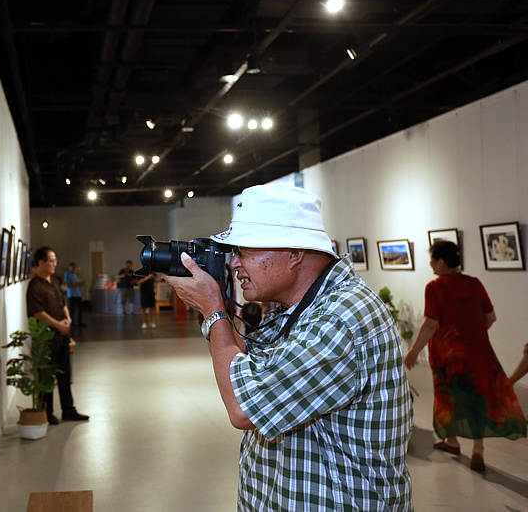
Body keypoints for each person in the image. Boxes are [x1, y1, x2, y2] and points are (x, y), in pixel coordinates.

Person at [165, 184, 413, 511]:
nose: (234, 264)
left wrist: (213, 311)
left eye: (243, 251)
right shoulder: (303, 307)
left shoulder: (339, 320)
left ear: (294, 254)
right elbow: (250, 368)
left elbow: (244, 407)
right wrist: (216, 310)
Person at [404, 240, 526, 472]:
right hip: (479, 353)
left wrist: (413, 352)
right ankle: (475, 448)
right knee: (478, 396)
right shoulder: (474, 283)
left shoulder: (435, 287)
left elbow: (430, 324)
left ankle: (452, 440)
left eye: (432, 260)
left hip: (447, 356)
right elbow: (490, 318)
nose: (430, 265)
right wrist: (472, 336)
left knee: (448, 395)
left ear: (441, 262)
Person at [26, 247, 89, 424]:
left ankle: (68, 409)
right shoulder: (34, 286)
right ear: (40, 263)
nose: (54, 264)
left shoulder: (53, 281)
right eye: (51, 261)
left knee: (65, 375)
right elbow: (37, 312)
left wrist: (67, 319)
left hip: (61, 337)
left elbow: (62, 303)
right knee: (47, 376)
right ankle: (48, 412)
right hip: (46, 339)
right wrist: (57, 325)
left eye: (55, 261)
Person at [63, 261, 86, 327]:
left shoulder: (75, 274)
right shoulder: (67, 274)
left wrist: (80, 284)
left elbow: (76, 283)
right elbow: (67, 284)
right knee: (72, 309)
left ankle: (79, 322)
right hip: (72, 294)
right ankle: (72, 322)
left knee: (80, 308)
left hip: (77, 293)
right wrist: (77, 284)